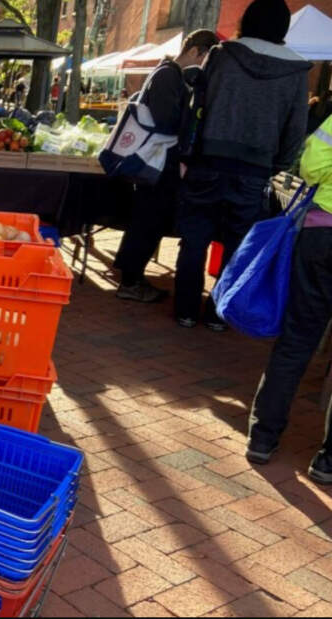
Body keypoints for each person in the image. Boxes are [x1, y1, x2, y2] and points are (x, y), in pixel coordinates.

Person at [173, 0, 310, 330]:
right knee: (237, 246)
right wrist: (277, 164)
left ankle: (186, 310)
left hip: (208, 160)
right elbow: (296, 128)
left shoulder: (222, 55)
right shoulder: (297, 71)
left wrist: (187, 154)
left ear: (246, 21)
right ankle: (219, 313)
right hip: (255, 168)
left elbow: (197, 107)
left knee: (195, 238)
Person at [246, 114, 332, 483]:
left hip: (322, 235)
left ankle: (263, 437)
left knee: (297, 339)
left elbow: (311, 167)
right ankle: (327, 461)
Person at [113, 30, 221, 303]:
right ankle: (130, 281)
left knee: (149, 221)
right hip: (158, 164)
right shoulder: (169, 76)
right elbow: (165, 121)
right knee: (148, 221)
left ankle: (132, 278)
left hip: (159, 163)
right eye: (206, 59)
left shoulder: (170, 75)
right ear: (196, 51)